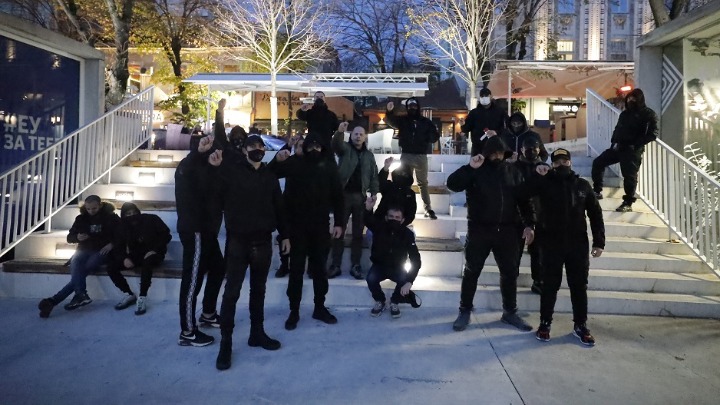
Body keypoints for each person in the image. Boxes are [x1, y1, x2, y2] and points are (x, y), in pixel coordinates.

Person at [210, 134, 290, 371]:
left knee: (259, 290)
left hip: (263, 240)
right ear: (244, 150)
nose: (257, 149)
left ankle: (257, 333)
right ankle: (226, 343)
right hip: (238, 241)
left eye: (260, 146)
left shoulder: (269, 176)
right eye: (252, 146)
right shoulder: (231, 172)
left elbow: (279, 207)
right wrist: (214, 170)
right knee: (231, 292)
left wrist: (285, 235)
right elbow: (215, 193)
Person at [517, 148, 605, 346]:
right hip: (550, 243)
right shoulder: (544, 183)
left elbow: (595, 214)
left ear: (570, 162)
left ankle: (580, 325)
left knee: (579, 286)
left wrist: (599, 242)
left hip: (577, 244)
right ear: (552, 164)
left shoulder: (583, 185)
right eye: (557, 162)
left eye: (565, 161)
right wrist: (536, 176)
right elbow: (521, 194)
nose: (562, 164)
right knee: (549, 285)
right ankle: (545, 323)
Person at [446, 137, 535, 332]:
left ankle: (510, 312)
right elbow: (452, 184)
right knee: (472, 271)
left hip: (508, 230)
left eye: (500, 153)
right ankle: (465, 310)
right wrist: (470, 167)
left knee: (509, 272)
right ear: (486, 154)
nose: (496, 156)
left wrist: (529, 224)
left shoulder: (513, 172)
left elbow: (524, 201)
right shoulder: (476, 170)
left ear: (505, 153)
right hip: (480, 229)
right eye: (493, 153)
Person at [269, 132, 344, 331]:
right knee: (296, 271)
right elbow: (270, 173)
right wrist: (278, 157)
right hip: (297, 227)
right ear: (304, 147)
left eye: (318, 147)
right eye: (310, 146)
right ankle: (294, 310)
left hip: (320, 226)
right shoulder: (295, 163)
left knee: (319, 270)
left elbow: (338, 196)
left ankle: (319, 307)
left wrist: (339, 223)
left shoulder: (329, 167)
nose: (314, 150)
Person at [174, 125, 227, 347]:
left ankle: (208, 313)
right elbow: (189, 171)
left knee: (218, 268)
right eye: (208, 148)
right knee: (192, 281)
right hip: (194, 230)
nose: (213, 153)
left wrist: (215, 167)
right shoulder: (188, 165)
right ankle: (188, 331)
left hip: (208, 231)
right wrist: (199, 153)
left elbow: (213, 193)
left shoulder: (211, 169)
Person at [38, 195, 119, 318]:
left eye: (94, 208)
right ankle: (80, 295)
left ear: (100, 205)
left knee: (83, 270)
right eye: (88, 209)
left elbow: (122, 234)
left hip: (101, 251)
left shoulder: (111, 217)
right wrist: (77, 237)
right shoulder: (81, 218)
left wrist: (112, 244)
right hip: (83, 250)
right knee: (77, 264)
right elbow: (70, 237)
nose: (91, 211)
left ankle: (55, 300)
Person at [591, 88, 658, 212]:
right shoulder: (625, 114)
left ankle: (628, 202)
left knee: (629, 176)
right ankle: (597, 190)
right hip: (618, 147)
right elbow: (618, 128)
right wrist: (614, 141)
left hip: (632, 150)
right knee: (598, 162)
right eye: (629, 98)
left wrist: (635, 145)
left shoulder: (648, 114)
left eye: (634, 99)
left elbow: (652, 134)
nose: (631, 101)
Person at [328, 122, 379, 280]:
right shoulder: (345, 149)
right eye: (355, 134)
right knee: (339, 231)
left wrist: (374, 192)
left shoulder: (369, 156)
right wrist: (339, 132)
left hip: (360, 197)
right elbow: (335, 145)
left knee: (358, 233)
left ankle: (355, 265)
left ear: (365, 137)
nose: (358, 136)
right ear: (351, 136)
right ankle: (335, 265)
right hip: (343, 196)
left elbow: (373, 176)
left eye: (361, 134)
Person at [108, 202, 171, 315]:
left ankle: (142, 297)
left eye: (134, 212)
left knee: (147, 263)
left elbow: (166, 235)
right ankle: (128, 294)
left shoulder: (151, 219)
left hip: (154, 253)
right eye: (128, 214)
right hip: (135, 255)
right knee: (111, 266)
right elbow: (118, 245)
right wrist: (124, 258)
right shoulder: (122, 226)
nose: (132, 216)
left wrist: (154, 250)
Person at [363, 198, 421, 318]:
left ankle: (394, 301)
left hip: (398, 267)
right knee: (371, 278)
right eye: (391, 216)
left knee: (404, 279)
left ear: (402, 220)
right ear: (386, 217)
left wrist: (410, 281)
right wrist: (368, 208)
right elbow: (368, 220)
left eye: (397, 217)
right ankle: (380, 300)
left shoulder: (408, 234)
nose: (394, 219)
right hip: (379, 266)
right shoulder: (379, 227)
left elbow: (416, 259)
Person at [385, 97, 440, 220]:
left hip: (421, 155)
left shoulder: (425, 122)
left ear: (418, 107)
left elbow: (434, 136)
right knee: (403, 182)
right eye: (410, 106)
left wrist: (429, 137)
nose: (412, 108)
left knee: (423, 183)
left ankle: (428, 208)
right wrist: (389, 111)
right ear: (407, 108)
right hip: (406, 155)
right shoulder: (403, 120)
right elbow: (391, 121)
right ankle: (402, 207)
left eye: (414, 106)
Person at [514, 137, 545, 294]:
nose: (531, 151)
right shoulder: (514, 168)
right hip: (517, 215)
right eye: (527, 148)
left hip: (539, 215)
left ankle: (538, 280)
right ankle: (511, 277)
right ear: (522, 150)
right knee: (515, 250)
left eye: (534, 148)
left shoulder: (544, 169)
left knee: (538, 251)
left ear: (539, 150)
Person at [274, 135, 305, 279]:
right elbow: (275, 168)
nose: (302, 149)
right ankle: (284, 264)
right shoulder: (290, 161)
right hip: (289, 204)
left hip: (305, 206)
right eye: (299, 146)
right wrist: (287, 146)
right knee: (284, 235)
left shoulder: (313, 163)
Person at [460, 88, 507, 156]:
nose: (484, 98)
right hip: (478, 148)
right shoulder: (474, 113)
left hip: (495, 148)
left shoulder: (500, 112)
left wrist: (496, 132)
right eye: (482, 96)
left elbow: (506, 127)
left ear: (491, 96)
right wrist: (463, 125)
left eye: (486, 95)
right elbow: (466, 129)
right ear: (480, 97)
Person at [375, 157, 417, 226]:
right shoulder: (388, 186)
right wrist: (386, 167)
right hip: (381, 223)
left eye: (404, 174)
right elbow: (380, 182)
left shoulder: (410, 194)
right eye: (399, 173)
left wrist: (402, 224)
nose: (401, 175)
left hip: (400, 225)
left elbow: (411, 213)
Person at [296, 91, 339, 155]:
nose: (319, 98)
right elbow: (301, 116)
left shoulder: (331, 114)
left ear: (325, 99)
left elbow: (336, 128)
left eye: (321, 97)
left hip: (327, 144)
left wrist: (331, 136)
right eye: (317, 97)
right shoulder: (310, 113)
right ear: (314, 99)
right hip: (312, 144)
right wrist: (302, 110)